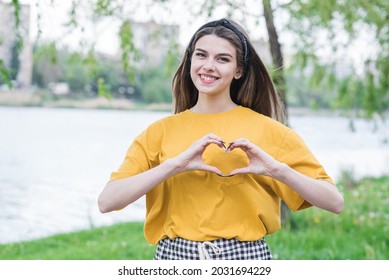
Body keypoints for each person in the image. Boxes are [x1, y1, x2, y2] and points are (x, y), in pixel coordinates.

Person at [98, 18, 344, 260]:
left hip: (246, 260)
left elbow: (334, 202)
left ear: (239, 70)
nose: (208, 66)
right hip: (173, 260)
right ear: (190, 61)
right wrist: (175, 166)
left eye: (222, 59)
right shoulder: (158, 132)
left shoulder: (271, 131)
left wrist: (276, 170)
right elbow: (107, 201)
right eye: (201, 55)